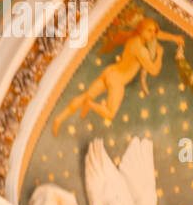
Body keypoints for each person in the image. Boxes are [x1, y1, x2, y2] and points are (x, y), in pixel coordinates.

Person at [50, 15, 182, 136]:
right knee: (110, 113)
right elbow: (154, 71)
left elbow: (156, 35)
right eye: (150, 31)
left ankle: (59, 118)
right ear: (141, 30)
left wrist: (173, 38)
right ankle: (90, 105)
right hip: (117, 81)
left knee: (85, 94)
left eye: (154, 31)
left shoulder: (133, 38)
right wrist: (160, 55)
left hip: (111, 71)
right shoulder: (141, 50)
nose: (153, 34)